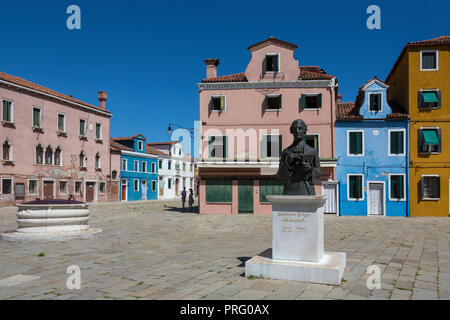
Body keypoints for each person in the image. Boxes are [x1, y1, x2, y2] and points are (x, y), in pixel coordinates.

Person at [277, 119, 321, 195]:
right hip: (290, 190)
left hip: (307, 190)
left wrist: (310, 168)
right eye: (295, 129)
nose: (297, 131)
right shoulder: (286, 152)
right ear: (291, 131)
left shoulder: (312, 151)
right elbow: (280, 174)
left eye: (300, 128)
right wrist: (287, 163)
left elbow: (318, 173)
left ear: (305, 131)